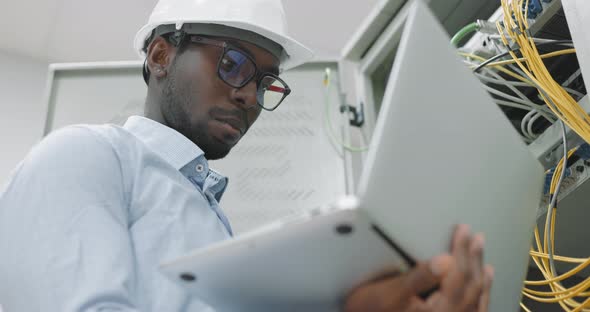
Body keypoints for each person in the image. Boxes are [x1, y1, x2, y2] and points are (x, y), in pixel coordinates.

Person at [0, 0, 493, 311]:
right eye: (233, 64)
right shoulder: (84, 155)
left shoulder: (218, 227)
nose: (250, 97)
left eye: (265, 82)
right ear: (160, 56)